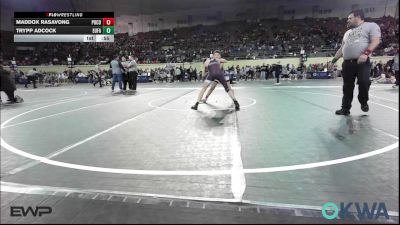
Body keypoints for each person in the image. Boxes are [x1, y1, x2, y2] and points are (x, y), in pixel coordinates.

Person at [331, 10, 381, 115]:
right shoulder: (347, 32)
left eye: (350, 18)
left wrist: (366, 54)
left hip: (362, 62)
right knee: (347, 86)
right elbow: (341, 48)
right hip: (347, 63)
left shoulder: (370, 26)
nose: (347, 20)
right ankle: (345, 109)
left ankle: (363, 101)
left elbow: (376, 40)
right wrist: (333, 60)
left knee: (363, 82)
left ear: (358, 17)